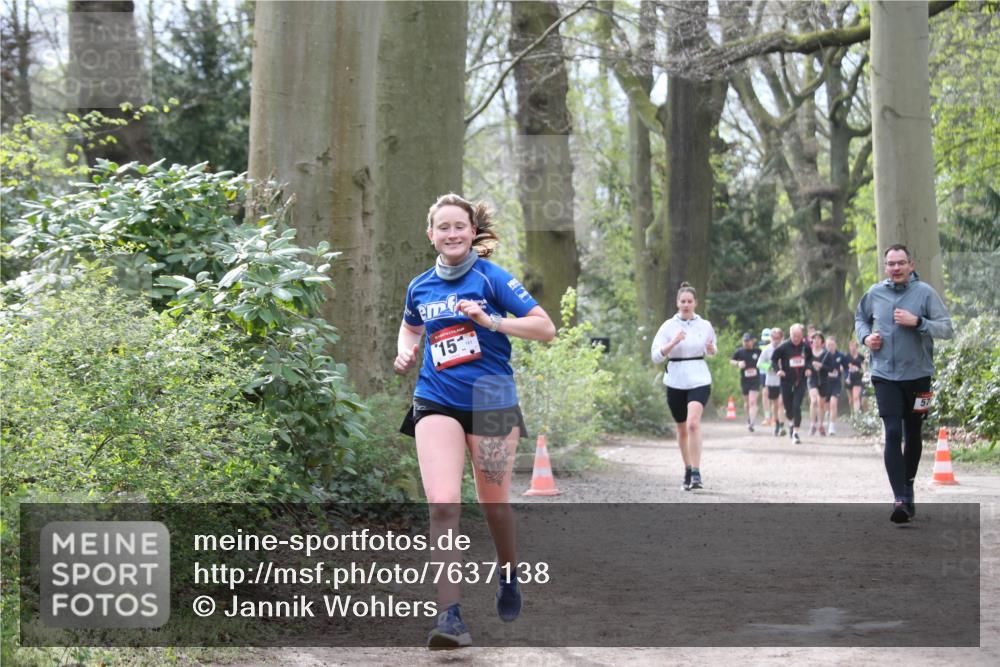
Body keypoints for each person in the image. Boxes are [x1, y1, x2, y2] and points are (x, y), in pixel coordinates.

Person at [394, 193, 556, 648]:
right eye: (443, 227)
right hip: (436, 399)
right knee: (443, 504)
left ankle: (508, 573)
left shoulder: (492, 278)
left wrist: (491, 322)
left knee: (493, 505)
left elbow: (545, 328)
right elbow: (411, 326)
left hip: (492, 400)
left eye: (459, 226)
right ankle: (450, 616)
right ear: (431, 235)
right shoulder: (419, 286)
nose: (452, 234)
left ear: (472, 232)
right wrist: (405, 351)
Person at [855, 244, 953, 524]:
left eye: (900, 263)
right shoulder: (875, 293)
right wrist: (866, 338)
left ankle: (907, 487)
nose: (895, 268)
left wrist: (919, 321)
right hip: (884, 375)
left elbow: (947, 328)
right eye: (891, 263)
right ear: (885, 266)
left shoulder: (925, 293)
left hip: (920, 376)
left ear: (911, 265)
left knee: (913, 432)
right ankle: (900, 498)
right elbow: (860, 319)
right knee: (893, 431)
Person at [651, 282, 717, 491]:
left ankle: (696, 473)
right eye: (683, 301)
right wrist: (673, 342)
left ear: (695, 303)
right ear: (677, 303)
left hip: (699, 377)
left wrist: (711, 349)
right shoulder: (668, 326)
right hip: (675, 379)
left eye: (690, 301)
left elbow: (712, 350)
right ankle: (687, 469)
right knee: (681, 428)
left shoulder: (705, 325)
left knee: (693, 424)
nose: (686, 305)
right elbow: (655, 356)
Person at [772, 323, 814, 444]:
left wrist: (808, 368)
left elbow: (810, 359)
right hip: (786, 381)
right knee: (788, 408)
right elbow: (774, 359)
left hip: (800, 381)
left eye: (798, 336)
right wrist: (778, 370)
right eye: (794, 336)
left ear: (802, 336)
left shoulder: (805, 347)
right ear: (790, 335)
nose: (796, 339)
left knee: (796, 406)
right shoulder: (783, 347)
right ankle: (790, 423)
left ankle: (795, 432)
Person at [757, 326, 786, 436]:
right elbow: (759, 363)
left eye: (777, 338)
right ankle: (776, 422)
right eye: (773, 338)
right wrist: (769, 367)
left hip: (784, 380)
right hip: (771, 379)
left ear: (781, 338)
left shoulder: (785, 348)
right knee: (775, 403)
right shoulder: (767, 349)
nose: (775, 340)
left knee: (781, 402)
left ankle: (782, 426)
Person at [730, 332, 761, 432]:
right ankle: (749, 418)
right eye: (744, 341)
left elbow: (765, 360)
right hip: (745, 380)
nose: (746, 343)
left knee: (752, 401)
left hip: (755, 379)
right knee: (747, 403)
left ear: (752, 341)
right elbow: (731, 361)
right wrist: (738, 363)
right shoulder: (739, 352)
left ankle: (752, 422)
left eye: (748, 341)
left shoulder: (758, 351)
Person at [806, 331, 831, 436]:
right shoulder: (808, 353)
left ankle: (820, 425)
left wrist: (821, 366)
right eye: (814, 339)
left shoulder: (827, 354)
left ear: (822, 341)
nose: (816, 341)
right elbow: (805, 365)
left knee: (821, 404)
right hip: (812, 380)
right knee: (814, 400)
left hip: (823, 381)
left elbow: (831, 368)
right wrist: (809, 369)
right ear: (811, 341)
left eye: (818, 339)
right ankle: (812, 425)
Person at [824, 336, 848, 435]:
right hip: (825, 383)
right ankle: (827, 414)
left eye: (832, 345)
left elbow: (846, 367)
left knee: (833, 403)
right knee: (826, 404)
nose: (830, 347)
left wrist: (846, 376)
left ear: (835, 345)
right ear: (826, 346)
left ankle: (832, 427)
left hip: (836, 383)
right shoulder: (823, 355)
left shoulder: (840, 355)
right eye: (828, 345)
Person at [844, 338, 867, 415]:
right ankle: (852, 414)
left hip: (858, 379)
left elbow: (864, 368)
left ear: (856, 347)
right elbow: (843, 368)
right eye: (851, 346)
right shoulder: (846, 357)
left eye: (854, 346)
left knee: (856, 397)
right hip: (849, 380)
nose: (852, 348)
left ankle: (857, 415)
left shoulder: (861, 357)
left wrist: (859, 369)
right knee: (851, 400)